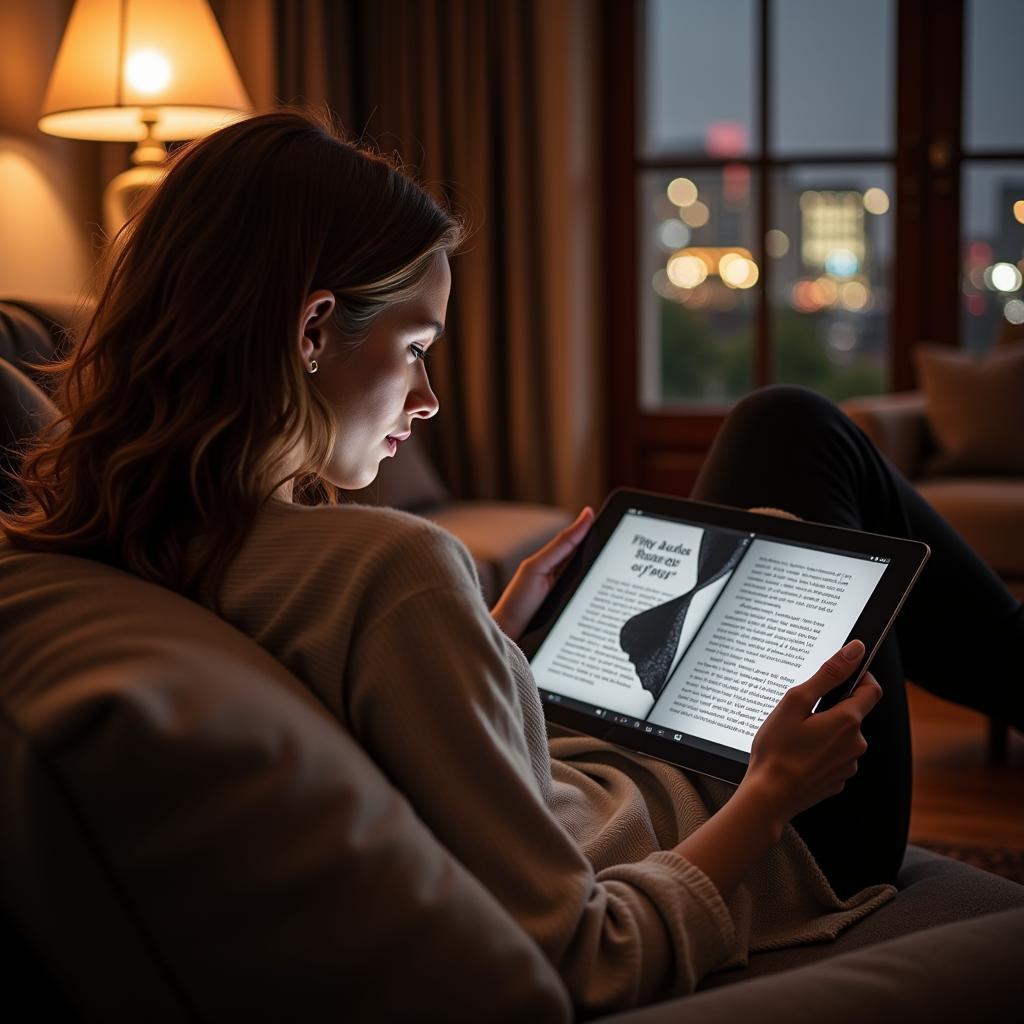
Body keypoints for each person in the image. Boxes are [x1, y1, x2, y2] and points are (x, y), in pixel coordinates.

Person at [2, 108, 1021, 1016]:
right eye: (414, 347)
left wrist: (488, 644)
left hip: (596, 774)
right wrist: (773, 789)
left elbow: (379, 741)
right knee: (795, 428)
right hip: (788, 832)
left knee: (778, 446)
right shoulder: (392, 573)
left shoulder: (123, 531)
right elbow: (584, 953)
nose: (428, 396)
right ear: (314, 329)